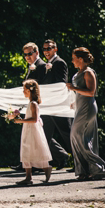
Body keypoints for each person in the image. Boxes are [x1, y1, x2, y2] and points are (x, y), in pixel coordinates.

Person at [66, 48, 105, 181]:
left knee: (76, 135)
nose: (72, 61)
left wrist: (73, 88)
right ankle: (85, 171)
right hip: (80, 107)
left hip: (87, 108)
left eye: (73, 58)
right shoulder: (79, 72)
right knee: (81, 138)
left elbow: (91, 92)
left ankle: (100, 168)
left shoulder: (88, 73)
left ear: (80, 59)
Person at [8, 79, 52, 185]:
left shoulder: (33, 104)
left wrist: (21, 120)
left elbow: (34, 119)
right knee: (26, 150)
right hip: (28, 129)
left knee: (33, 150)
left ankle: (46, 169)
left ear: (29, 90)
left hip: (33, 131)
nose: (23, 91)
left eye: (24, 89)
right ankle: (28, 177)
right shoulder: (30, 103)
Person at [11, 42, 47, 171]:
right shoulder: (31, 66)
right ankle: (27, 164)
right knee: (31, 135)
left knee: (36, 135)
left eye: (30, 54)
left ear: (36, 53)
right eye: (25, 54)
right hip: (30, 101)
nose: (27, 57)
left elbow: (41, 85)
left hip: (36, 103)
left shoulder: (41, 66)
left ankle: (35, 164)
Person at [40, 39, 72, 169]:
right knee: (43, 134)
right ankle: (59, 157)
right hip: (48, 106)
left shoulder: (59, 63)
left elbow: (61, 83)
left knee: (67, 133)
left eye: (49, 48)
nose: (46, 51)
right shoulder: (47, 64)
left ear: (55, 49)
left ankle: (80, 161)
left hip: (58, 105)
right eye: (45, 49)